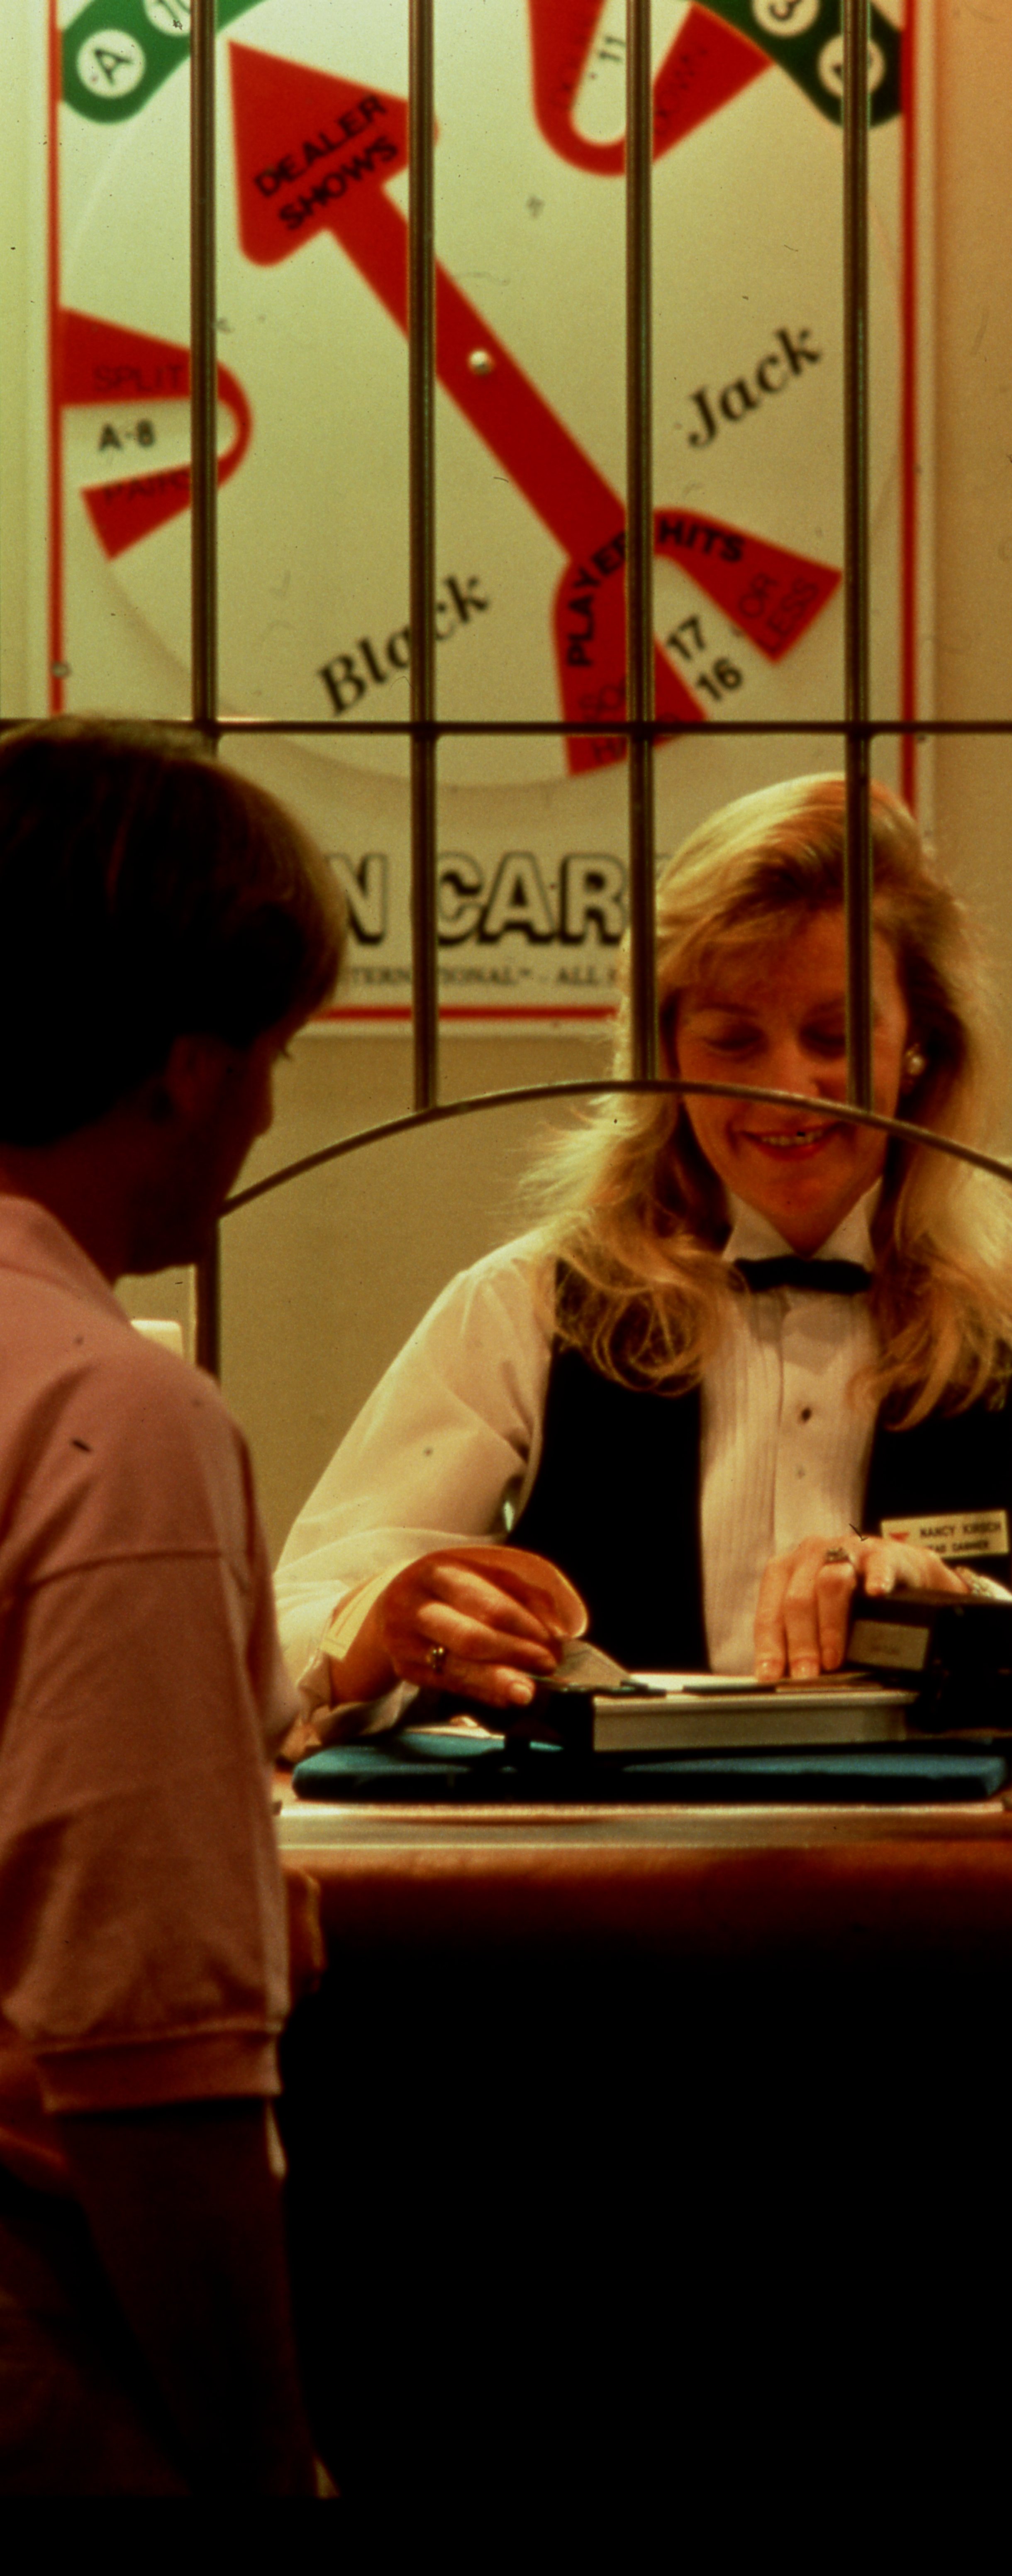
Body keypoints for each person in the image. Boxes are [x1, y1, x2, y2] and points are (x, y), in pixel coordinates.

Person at [275, 775, 1012, 1791]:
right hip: (598, 1870)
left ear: (919, 1045)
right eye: (732, 1039)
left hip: (939, 1874)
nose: (784, 1088)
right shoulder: (530, 1300)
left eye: (834, 1037)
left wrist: (967, 1618)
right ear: (664, 1050)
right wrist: (388, 1622)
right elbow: (275, 1646)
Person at [0, 716, 345, 2493]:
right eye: (276, 1056)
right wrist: (269, 2468)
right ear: (190, 1071)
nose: (271, 1112)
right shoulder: (112, 1412)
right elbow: (146, 2052)